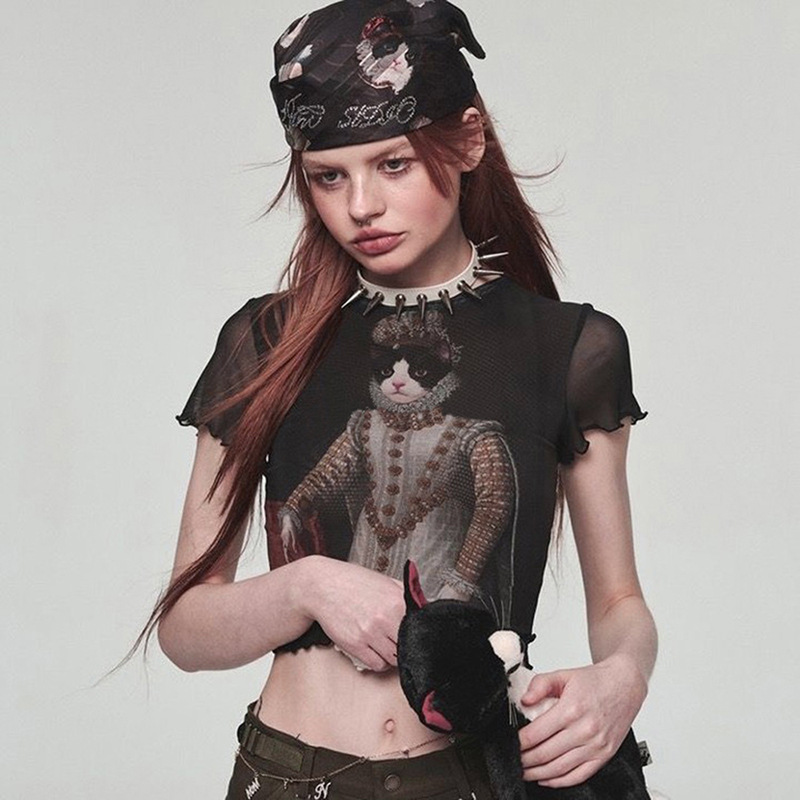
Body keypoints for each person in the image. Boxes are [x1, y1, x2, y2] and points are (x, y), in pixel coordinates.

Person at [143, 1, 658, 797]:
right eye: (329, 176)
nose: (360, 207)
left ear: (468, 140)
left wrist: (622, 677)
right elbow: (185, 629)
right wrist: (307, 585)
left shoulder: (569, 350)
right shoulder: (265, 341)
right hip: (292, 776)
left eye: (393, 164)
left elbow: (619, 601)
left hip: (473, 777)